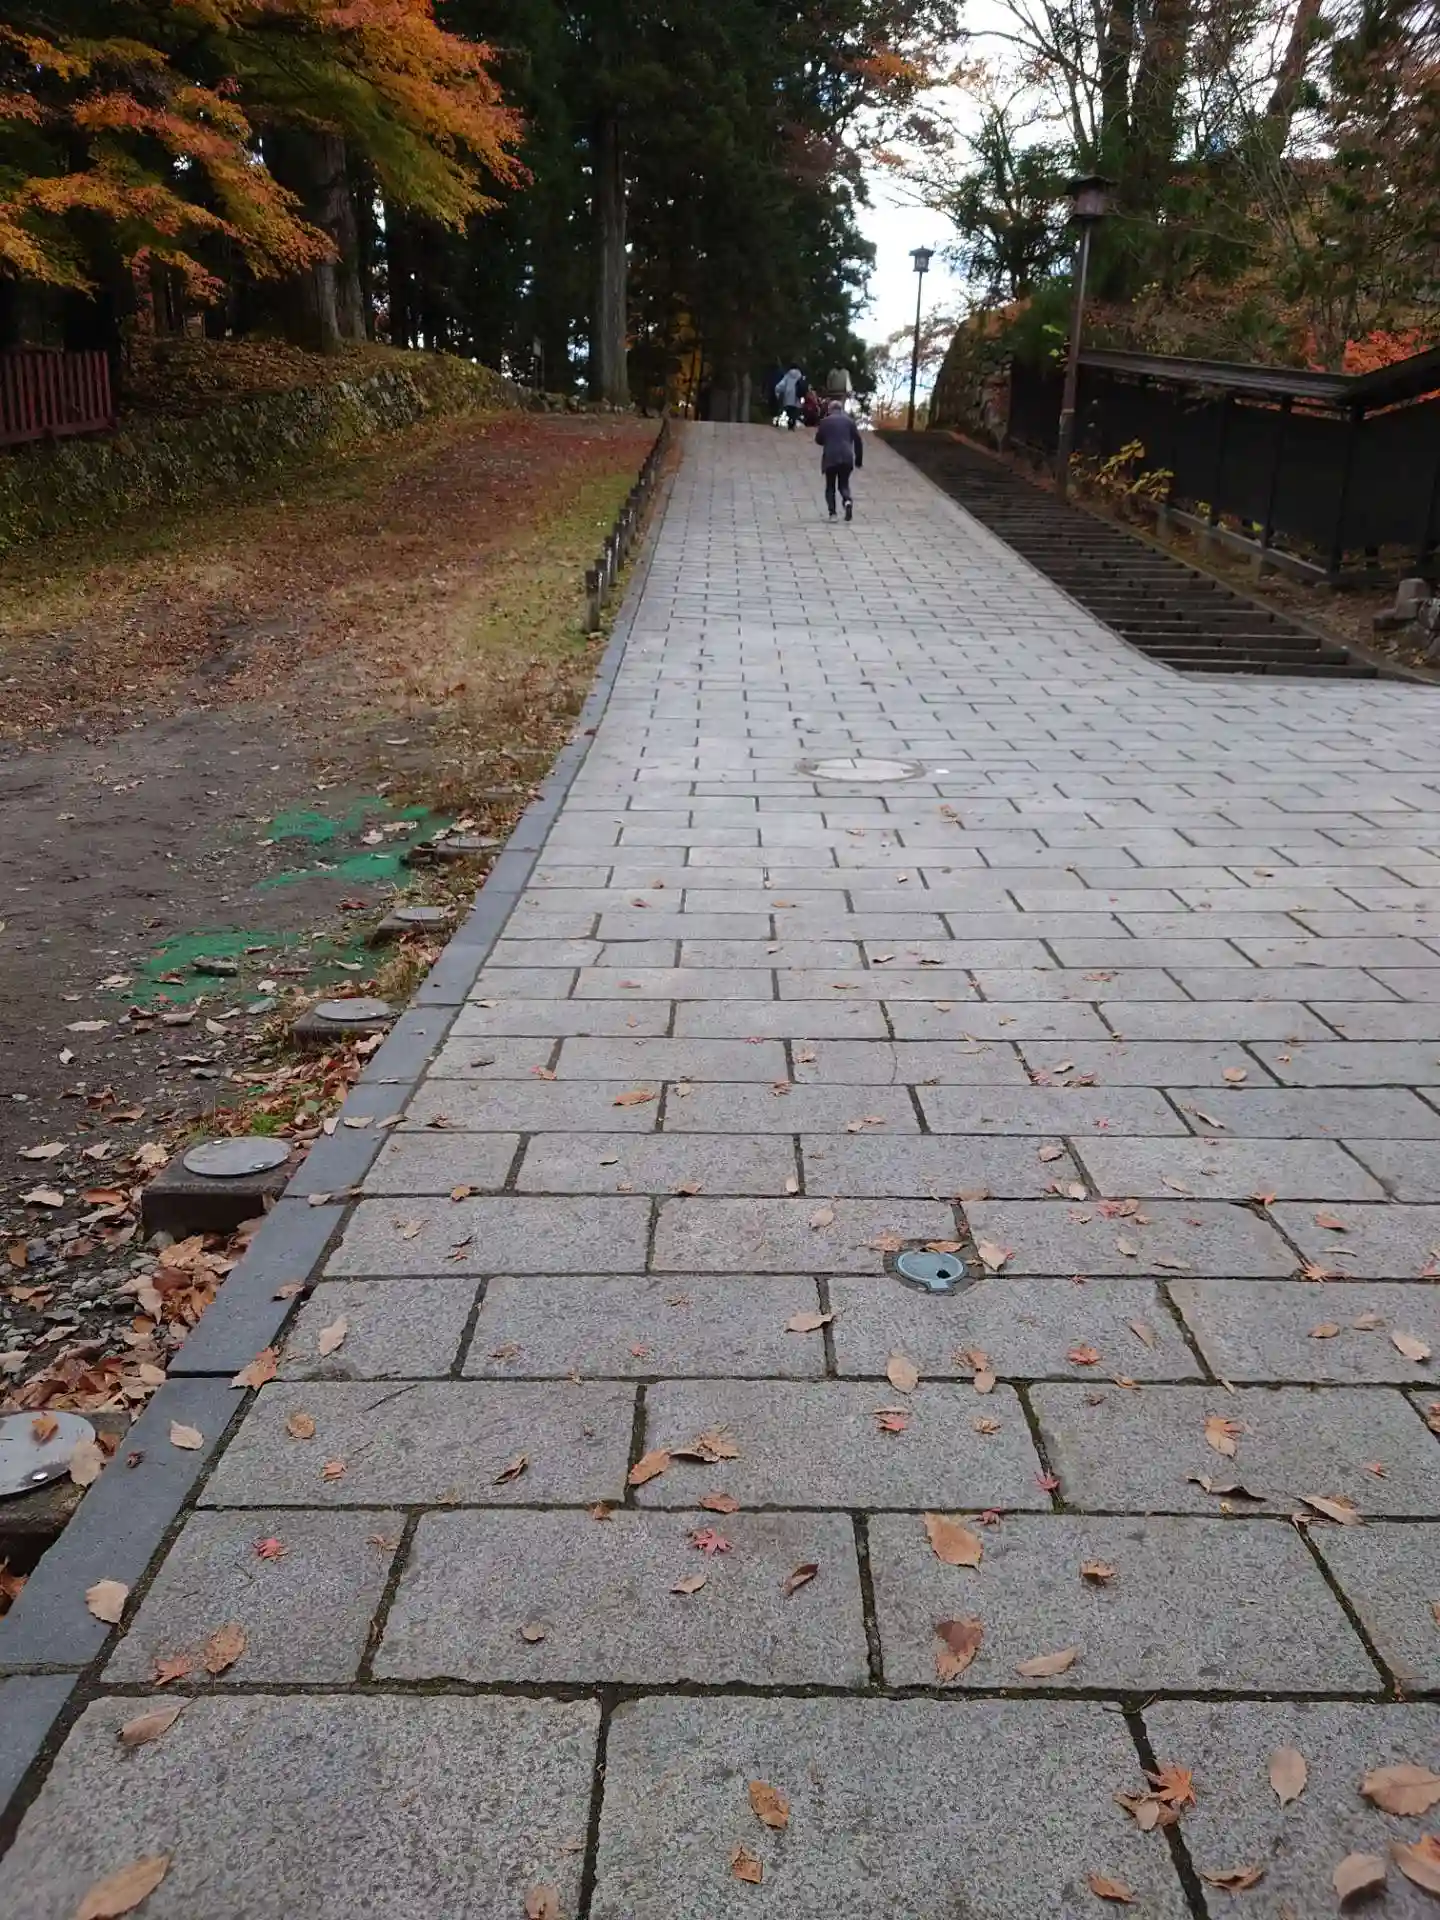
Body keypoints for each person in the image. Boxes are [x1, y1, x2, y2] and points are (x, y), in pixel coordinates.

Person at [814, 398, 862, 520]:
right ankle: (847, 501)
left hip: (831, 457)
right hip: (847, 457)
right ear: (841, 409)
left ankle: (833, 513)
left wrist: (827, 440)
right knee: (844, 484)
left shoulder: (825, 422)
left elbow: (818, 440)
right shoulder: (849, 421)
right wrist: (858, 459)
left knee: (830, 486)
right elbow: (858, 440)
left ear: (830, 409)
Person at [776, 364, 807, 430]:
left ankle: (789, 423)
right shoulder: (800, 376)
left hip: (788, 397)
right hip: (797, 397)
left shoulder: (787, 376)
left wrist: (777, 391)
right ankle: (793, 424)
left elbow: (781, 385)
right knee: (795, 412)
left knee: (788, 411)